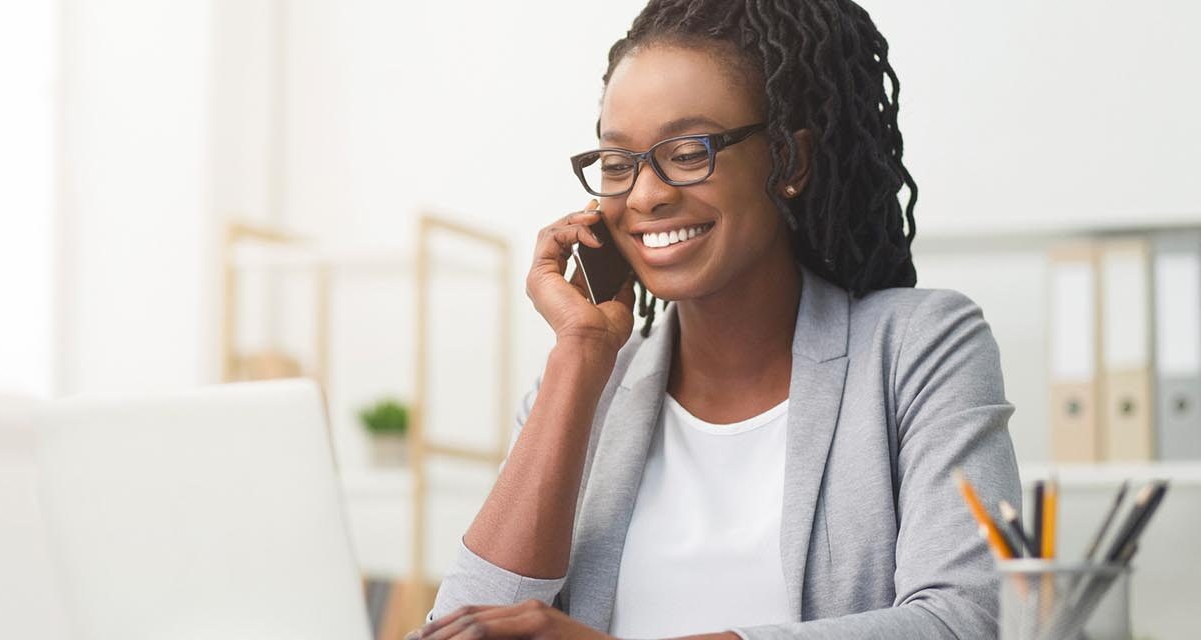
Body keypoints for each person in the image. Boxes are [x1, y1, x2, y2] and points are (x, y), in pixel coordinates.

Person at [411, 1, 1021, 638]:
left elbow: (967, 620)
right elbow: (458, 630)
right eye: (619, 163)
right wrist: (580, 353)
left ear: (788, 162)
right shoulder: (585, 387)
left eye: (687, 151)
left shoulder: (920, 348)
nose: (645, 194)